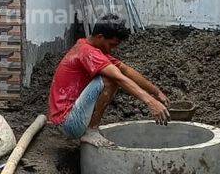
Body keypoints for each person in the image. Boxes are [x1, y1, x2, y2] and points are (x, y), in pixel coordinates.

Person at [47, 13, 171, 146]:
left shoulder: (88, 46)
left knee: (114, 73)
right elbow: (119, 78)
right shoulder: (88, 52)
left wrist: (157, 92)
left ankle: (90, 129)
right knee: (110, 79)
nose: (112, 49)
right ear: (100, 37)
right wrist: (151, 102)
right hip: (68, 124)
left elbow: (125, 70)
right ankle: (91, 131)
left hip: (67, 119)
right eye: (111, 44)